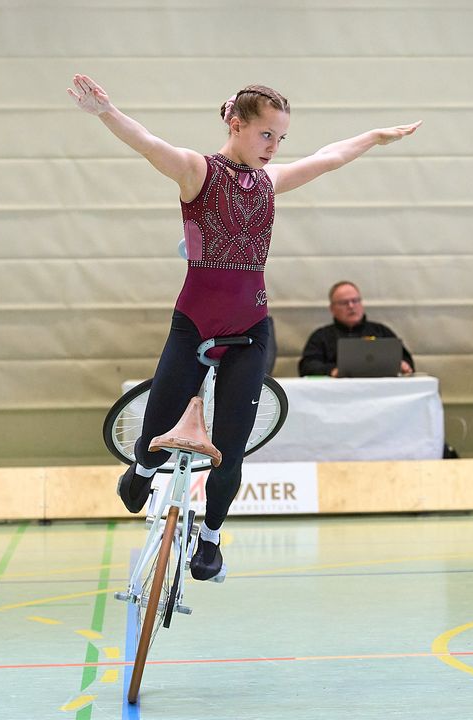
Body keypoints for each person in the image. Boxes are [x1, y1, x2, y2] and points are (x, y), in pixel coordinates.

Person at [68, 75, 419, 580]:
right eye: (266, 135)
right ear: (236, 124)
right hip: (194, 322)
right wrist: (105, 111)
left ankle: (209, 538)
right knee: (162, 414)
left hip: (251, 328)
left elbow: (329, 157)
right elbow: (148, 143)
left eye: (281, 139)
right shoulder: (196, 172)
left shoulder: (269, 183)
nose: (274, 148)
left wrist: (373, 137)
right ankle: (143, 470)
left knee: (229, 448)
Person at [297, 280, 415, 377]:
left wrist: (404, 365)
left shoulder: (381, 331)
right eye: (344, 303)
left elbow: (406, 361)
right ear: (332, 308)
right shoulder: (321, 336)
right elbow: (307, 366)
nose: (351, 306)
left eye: (355, 301)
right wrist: (332, 371)